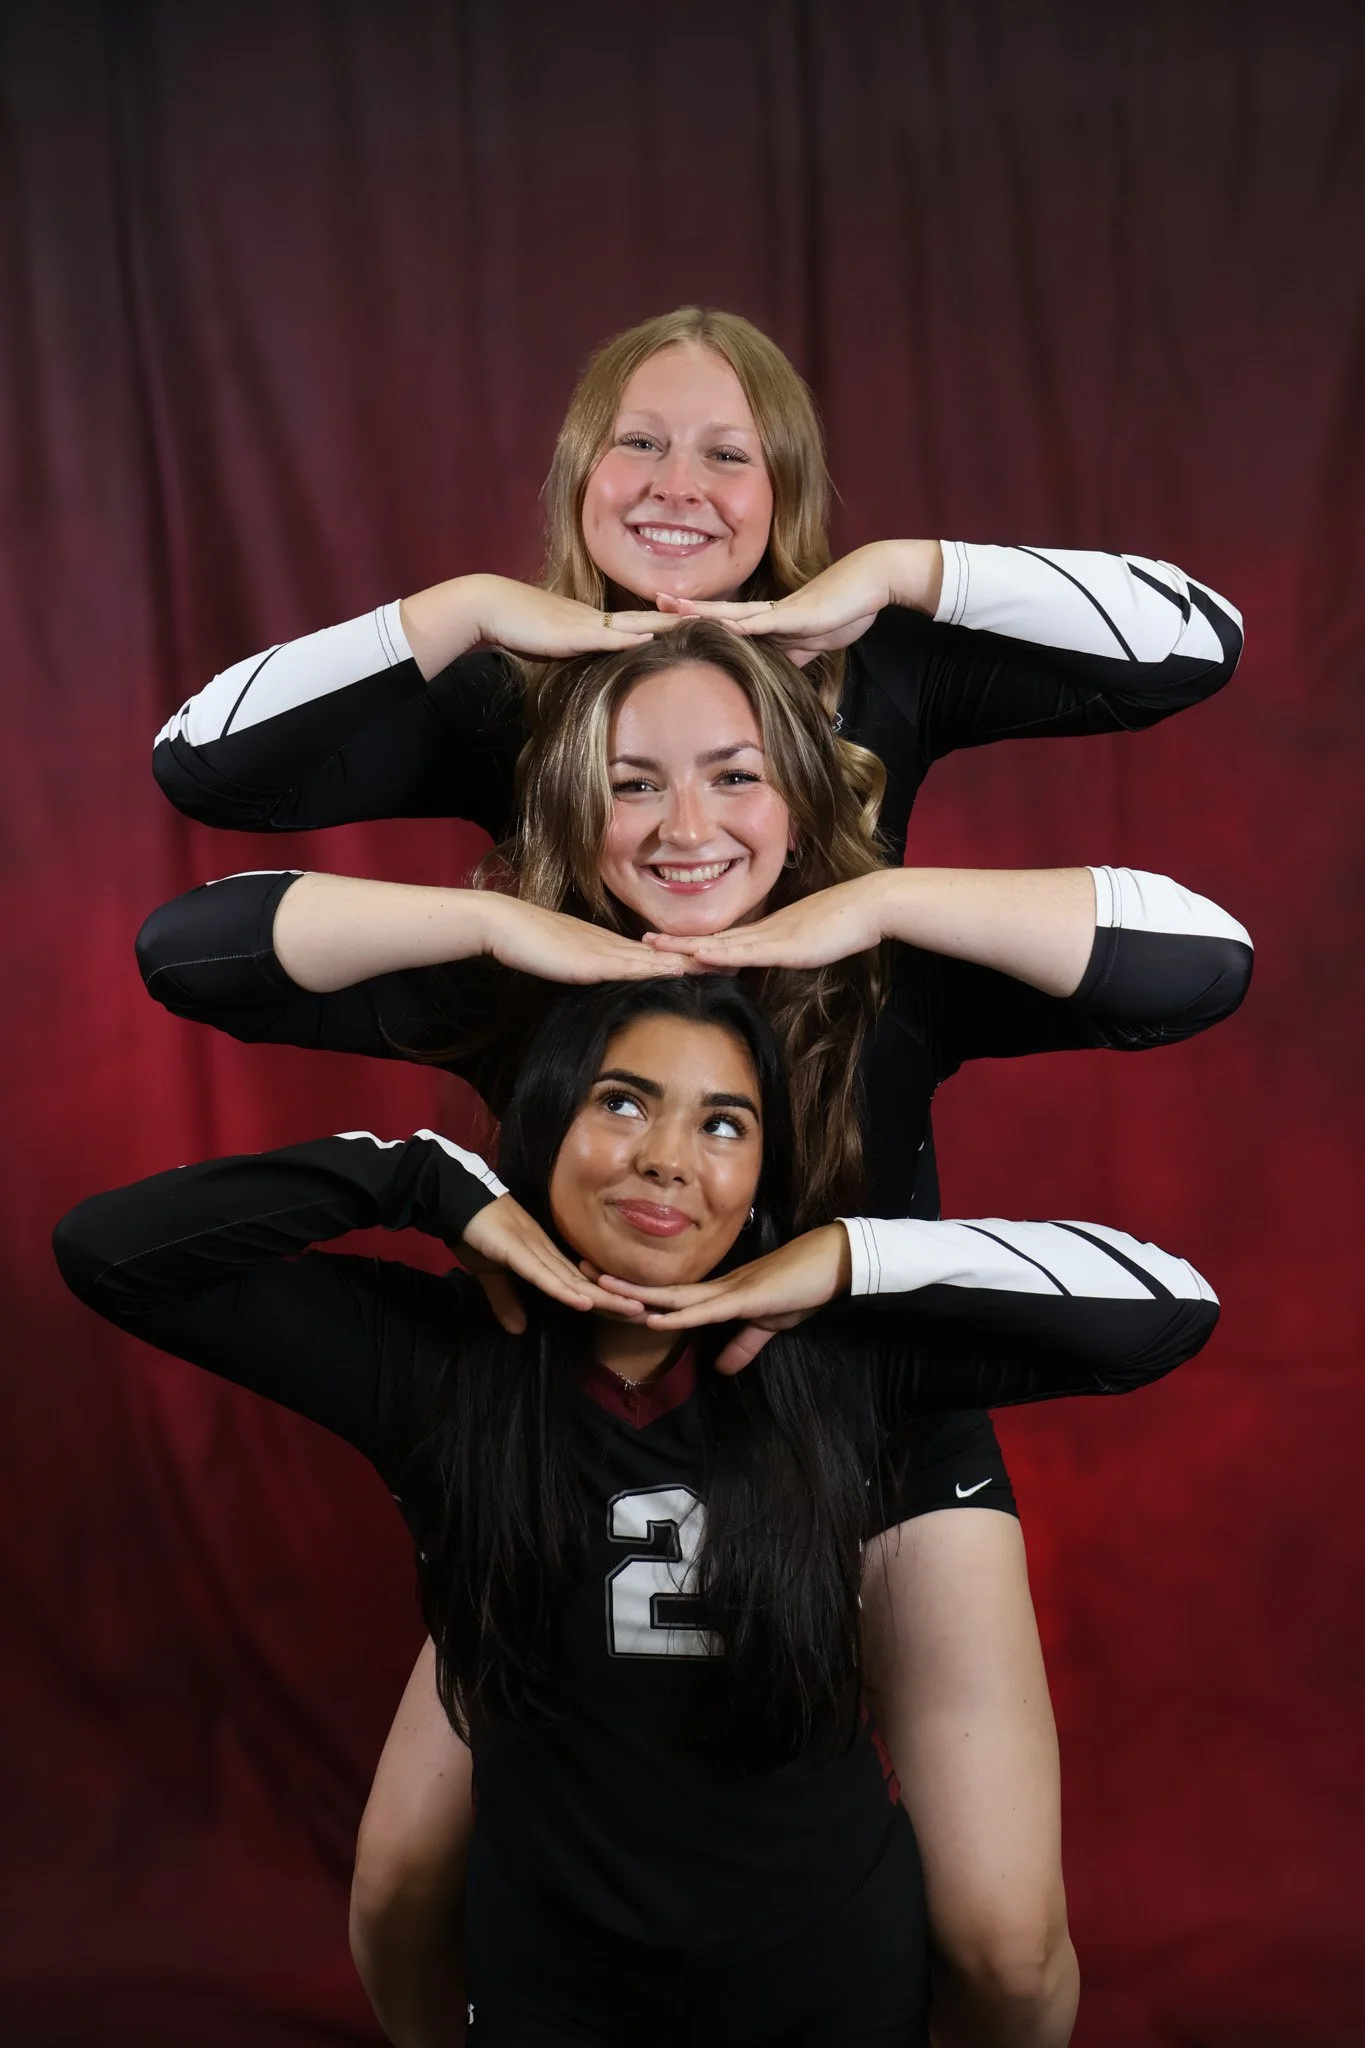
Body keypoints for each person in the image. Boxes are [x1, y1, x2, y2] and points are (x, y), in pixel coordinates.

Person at [145, 305, 1246, 2048]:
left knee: (1005, 1936)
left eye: (730, 447)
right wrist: (481, 680)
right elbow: (202, 789)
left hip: (871, 1398)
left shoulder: (870, 716)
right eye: (635, 443)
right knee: (399, 1884)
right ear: (573, 479)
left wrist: (889, 643)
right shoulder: (518, 749)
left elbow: (1201, 663)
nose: (678, 483)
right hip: (577, 1405)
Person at [54, 978, 1221, 2047]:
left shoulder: (845, 1363)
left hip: (828, 1990)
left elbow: (1170, 1307)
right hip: (555, 1994)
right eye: (624, 1102)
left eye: (724, 1124)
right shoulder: (438, 1360)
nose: (669, 1159)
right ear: (550, 1120)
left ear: (762, 1175)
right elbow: (109, 1249)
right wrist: (417, 1179)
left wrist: (849, 1257)